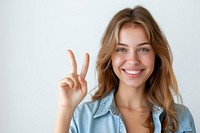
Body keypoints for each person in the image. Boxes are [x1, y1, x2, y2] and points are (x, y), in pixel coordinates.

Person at [55, 5, 196, 133]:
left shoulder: (180, 118)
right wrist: (65, 110)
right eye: (122, 49)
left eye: (143, 49)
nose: (133, 60)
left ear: (156, 55)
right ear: (110, 56)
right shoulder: (84, 117)